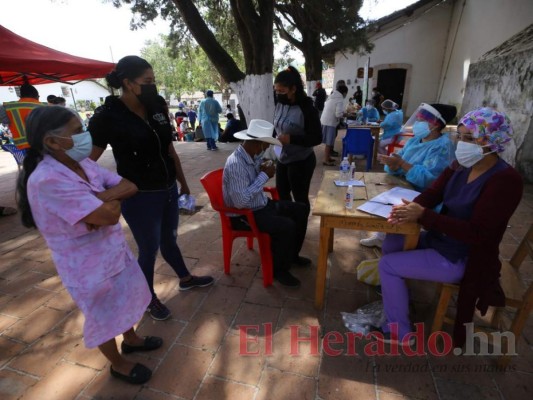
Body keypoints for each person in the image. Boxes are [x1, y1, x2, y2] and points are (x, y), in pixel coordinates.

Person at [17, 106, 163, 384]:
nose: (85, 135)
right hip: (86, 265)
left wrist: (99, 198)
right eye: (78, 131)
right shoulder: (48, 179)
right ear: (52, 142)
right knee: (103, 314)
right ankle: (118, 364)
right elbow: (109, 215)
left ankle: (131, 339)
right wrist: (104, 205)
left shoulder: (82, 163)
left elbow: (130, 185)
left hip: (112, 250)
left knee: (126, 297)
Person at [375, 107, 523, 347]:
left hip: (464, 256)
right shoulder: (461, 165)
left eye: (469, 139)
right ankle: (399, 299)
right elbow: (434, 193)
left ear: (492, 142)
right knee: (392, 241)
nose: (462, 144)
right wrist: (410, 209)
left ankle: (400, 332)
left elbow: (477, 233)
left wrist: (423, 216)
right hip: (442, 238)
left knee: (388, 265)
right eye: (461, 137)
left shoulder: (505, 181)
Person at [88, 56, 214, 321]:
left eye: (154, 81)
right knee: (148, 249)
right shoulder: (108, 116)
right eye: (147, 82)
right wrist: (98, 194)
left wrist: (183, 181)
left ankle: (185, 278)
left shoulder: (156, 105)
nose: (152, 86)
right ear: (127, 83)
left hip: (168, 188)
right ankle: (147, 298)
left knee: (170, 239)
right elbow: (89, 161)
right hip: (140, 196)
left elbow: (168, 148)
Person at [223, 119, 311, 287]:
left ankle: (291, 256)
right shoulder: (236, 164)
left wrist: (265, 166)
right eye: (265, 146)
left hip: (260, 205)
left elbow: (257, 175)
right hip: (244, 215)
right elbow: (240, 202)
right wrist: (264, 176)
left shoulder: (251, 155)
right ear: (257, 144)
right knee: (287, 226)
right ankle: (279, 270)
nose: (265, 150)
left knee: (301, 209)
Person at [361, 103, 457, 248]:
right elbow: (399, 161)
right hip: (405, 187)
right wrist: (392, 164)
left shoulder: (442, 147)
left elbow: (431, 180)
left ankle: (400, 244)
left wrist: (402, 164)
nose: (418, 123)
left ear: (435, 125)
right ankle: (382, 236)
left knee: (394, 209)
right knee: (380, 199)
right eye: (417, 119)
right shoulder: (414, 141)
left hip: (424, 196)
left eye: (422, 120)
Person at [273, 66, 322, 228]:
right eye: (276, 90)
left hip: (302, 160)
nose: (278, 94)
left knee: (300, 198)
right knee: (282, 193)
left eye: (282, 91)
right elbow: (278, 125)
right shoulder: (280, 102)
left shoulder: (307, 107)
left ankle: (300, 229)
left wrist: (291, 139)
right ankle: (288, 226)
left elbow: (317, 138)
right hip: (283, 157)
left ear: (293, 89)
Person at [1, 83, 43, 149]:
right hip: (44, 144)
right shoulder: (46, 107)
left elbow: (4, 121)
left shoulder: (7, 107)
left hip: (23, 147)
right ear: (36, 95)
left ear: (21, 96)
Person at [321, 85, 348, 166]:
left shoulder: (331, 97)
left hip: (324, 120)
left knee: (329, 141)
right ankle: (326, 160)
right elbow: (338, 114)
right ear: (344, 93)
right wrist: (347, 114)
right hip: (330, 122)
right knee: (329, 142)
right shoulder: (339, 99)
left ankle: (328, 157)